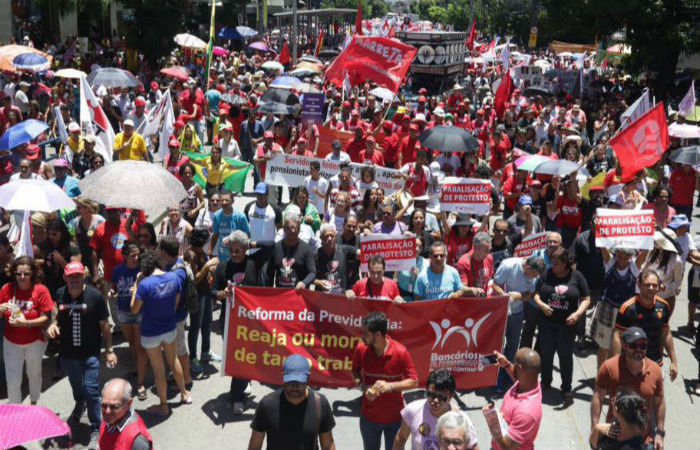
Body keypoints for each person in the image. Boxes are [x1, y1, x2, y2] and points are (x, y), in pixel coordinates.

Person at [46, 262, 116, 447]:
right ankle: (79, 403)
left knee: (91, 390)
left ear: (83, 276)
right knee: (77, 387)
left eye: (78, 276)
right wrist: (53, 324)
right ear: (65, 277)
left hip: (90, 354)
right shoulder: (60, 294)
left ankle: (96, 426)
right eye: (71, 276)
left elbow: (105, 326)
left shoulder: (95, 296)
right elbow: (56, 314)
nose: (75, 280)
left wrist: (109, 350)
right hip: (67, 355)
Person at [211, 230, 273, 413]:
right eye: (232, 250)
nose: (235, 254)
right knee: (237, 356)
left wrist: (250, 244)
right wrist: (221, 294)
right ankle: (238, 394)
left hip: (251, 320)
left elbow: (271, 245)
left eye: (239, 250)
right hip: (230, 320)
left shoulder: (254, 262)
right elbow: (212, 290)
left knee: (249, 355)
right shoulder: (223, 267)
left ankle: (239, 390)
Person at [130, 250, 192, 416]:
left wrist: (136, 286)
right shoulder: (174, 277)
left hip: (151, 332)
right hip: (170, 327)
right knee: (173, 360)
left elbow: (134, 309)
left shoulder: (145, 285)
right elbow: (175, 302)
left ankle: (163, 405)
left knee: (159, 369)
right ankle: (184, 394)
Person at [353, 311, 419, 450]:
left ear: (377, 334)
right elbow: (355, 372)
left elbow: (414, 381)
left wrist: (390, 386)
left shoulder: (400, 352)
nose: (362, 336)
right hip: (369, 418)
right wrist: (363, 388)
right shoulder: (361, 349)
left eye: (366, 333)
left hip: (395, 419)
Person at [533, 247, 590, 403]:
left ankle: (566, 387)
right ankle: (545, 381)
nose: (553, 266)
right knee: (546, 354)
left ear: (566, 264)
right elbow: (536, 294)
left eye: (557, 264)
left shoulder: (577, 277)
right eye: (552, 262)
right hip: (546, 324)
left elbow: (586, 299)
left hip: (566, 326)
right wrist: (542, 306)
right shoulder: (547, 273)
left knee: (565, 357)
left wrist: (577, 314)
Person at [592, 327, 664, 447]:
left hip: (643, 441)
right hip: (614, 437)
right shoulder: (609, 367)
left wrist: (660, 433)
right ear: (623, 345)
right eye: (633, 346)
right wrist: (596, 426)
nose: (638, 349)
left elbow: (659, 402)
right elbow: (598, 397)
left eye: (643, 346)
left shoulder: (655, 370)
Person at [248, 354, 336, 450]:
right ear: (282, 377)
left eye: (299, 382)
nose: (294, 386)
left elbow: (328, 445)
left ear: (308, 378)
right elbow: (255, 446)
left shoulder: (320, 404)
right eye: (290, 381)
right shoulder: (267, 404)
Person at [0, 256, 53, 404]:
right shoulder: (6, 289)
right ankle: (15, 409)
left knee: (33, 373)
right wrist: (1, 308)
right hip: (11, 341)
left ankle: (34, 402)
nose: (22, 277)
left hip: (34, 341)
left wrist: (26, 323)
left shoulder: (40, 290)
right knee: (13, 378)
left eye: (26, 274)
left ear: (33, 274)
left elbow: (45, 318)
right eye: (18, 274)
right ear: (13, 273)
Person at [492, 256, 546, 392]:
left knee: (512, 346)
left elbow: (530, 295)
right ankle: (496, 379)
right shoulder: (508, 265)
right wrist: (505, 295)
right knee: (498, 346)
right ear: (527, 267)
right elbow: (494, 284)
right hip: (500, 310)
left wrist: (518, 296)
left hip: (517, 312)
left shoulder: (534, 274)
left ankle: (509, 376)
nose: (534, 277)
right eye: (533, 274)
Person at [614, 268, 678, 381]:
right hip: (631, 365)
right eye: (647, 285)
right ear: (639, 285)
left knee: (655, 397)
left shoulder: (663, 306)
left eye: (654, 285)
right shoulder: (627, 308)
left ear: (658, 287)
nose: (651, 288)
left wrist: (673, 361)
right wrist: (616, 367)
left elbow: (666, 332)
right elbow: (617, 338)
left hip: (655, 363)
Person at [392, 369, 479, 450]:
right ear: (426, 390)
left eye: (442, 397)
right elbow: (401, 437)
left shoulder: (462, 420)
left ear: (451, 396)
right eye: (431, 395)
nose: (435, 401)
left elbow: (473, 446)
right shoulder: (412, 410)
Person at [483, 348, 542, 450]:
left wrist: (492, 420)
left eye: (514, 363)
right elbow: (518, 379)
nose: (512, 365)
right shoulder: (531, 383)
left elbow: (507, 447)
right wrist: (507, 365)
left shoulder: (526, 413)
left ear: (520, 369)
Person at [109, 242, 147, 399]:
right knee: (131, 343)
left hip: (138, 311)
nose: (136, 258)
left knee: (140, 346)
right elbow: (114, 287)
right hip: (123, 312)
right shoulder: (118, 270)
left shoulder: (142, 270)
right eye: (133, 255)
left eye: (138, 254)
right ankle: (138, 368)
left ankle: (140, 383)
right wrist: (112, 292)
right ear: (125, 256)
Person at [98, 378, 153, 450]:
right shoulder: (111, 418)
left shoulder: (137, 440)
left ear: (129, 403)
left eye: (114, 407)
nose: (107, 411)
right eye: (104, 405)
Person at [267, 212, 316, 290]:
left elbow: (312, 273)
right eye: (288, 228)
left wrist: (304, 283)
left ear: (299, 229)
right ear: (283, 229)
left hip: (300, 294)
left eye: (294, 228)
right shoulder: (275, 248)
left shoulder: (307, 249)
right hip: (281, 295)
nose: (292, 231)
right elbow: (269, 273)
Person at [315, 224, 359, 295]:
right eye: (326, 236)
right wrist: (318, 282)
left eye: (332, 236)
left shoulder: (344, 250)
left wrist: (368, 237)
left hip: (341, 297)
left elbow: (362, 253)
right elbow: (307, 276)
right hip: (321, 297)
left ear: (335, 236)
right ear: (321, 237)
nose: (329, 239)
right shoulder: (315, 254)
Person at [210, 190, 250, 261]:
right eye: (222, 200)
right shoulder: (217, 215)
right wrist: (209, 251)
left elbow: (247, 235)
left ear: (232, 201)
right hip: (222, 256)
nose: (224, 202)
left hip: (237, 257)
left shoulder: (240, 217)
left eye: (227, 200)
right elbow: (215, 235)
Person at [457, 231, 494, 296]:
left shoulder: (489, 258)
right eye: (486, 250)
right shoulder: (463, 262)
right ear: (476, 248)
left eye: (489, 249)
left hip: (484, 298)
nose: (488, 253)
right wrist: (472, 289)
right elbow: (461, 287)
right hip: (470, 300)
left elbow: (490, 279)